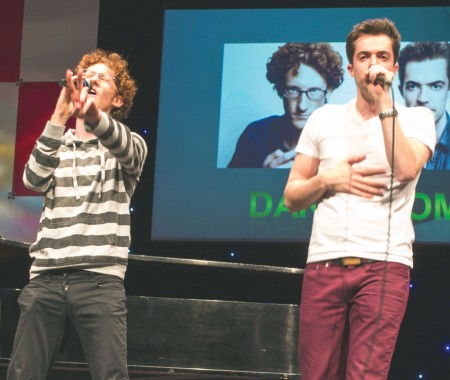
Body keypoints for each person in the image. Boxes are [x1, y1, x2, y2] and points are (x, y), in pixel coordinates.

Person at [284, 19, 435, 379]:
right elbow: (291, 196)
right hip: (324, 263)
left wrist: (385, 102)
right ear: (351, 68)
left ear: (395, 67)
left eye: (382, 56)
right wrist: (327, 178)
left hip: (384, 266)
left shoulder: (417, 118)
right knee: (316, 374)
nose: (374, 64)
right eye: (364, 57)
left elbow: (406, 168)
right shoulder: (324, 118)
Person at [7, 49, 148, 380]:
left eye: (103, 78)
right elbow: (32, 180)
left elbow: (123, 145)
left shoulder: (129, 147)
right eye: (88, 76)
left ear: (118, 100)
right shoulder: (56, 145)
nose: (93, 81)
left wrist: (93, 117)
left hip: (99, 282)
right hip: (46, 281)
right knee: (23, 373)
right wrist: (58, 116)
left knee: (110, 375)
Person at [227, 43, 344, 168]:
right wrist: (264, 177)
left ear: (329, 91)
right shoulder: (256, 135)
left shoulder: (346, 139)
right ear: (280, 89)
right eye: (293, 90)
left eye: (314, 91)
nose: (302, 106)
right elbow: (228, 186)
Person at [398, 41, 450, 170]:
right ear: (401, 91)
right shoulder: (383, 144)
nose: (423, 98)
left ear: (448, 89)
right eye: (413, 86)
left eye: (435, 86)